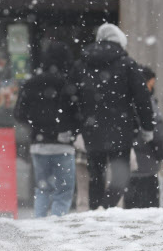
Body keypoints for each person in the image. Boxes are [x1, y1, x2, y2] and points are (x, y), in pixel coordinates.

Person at [66, 23, 154, 210]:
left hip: (91, 128)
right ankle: (105, 208)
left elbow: (68, 97)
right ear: (120, 41)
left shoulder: (81, 64)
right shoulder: (127, 64)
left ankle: (97, 211)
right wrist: (147, 127)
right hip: (121, 129)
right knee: (121, 177)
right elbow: (142, 98)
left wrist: (71, 127)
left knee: (96, 175)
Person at [14, 41, 77, 217]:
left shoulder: (31, 83)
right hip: (63, 144)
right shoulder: (68, 84)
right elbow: (78, 113)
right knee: (63, 192)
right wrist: (68, 129)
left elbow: (19, 113)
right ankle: (57, 226)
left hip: (38, 145)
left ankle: (39, 223)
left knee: (42, 189)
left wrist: (37, 125)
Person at [124, 66, 163, 208]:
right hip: (147, 162)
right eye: (151, 82)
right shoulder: (146, 102)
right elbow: (158, 131)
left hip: (130, 162)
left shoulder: (125, 100)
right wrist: (160, 152)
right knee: (149, 209)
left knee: (131, 209)